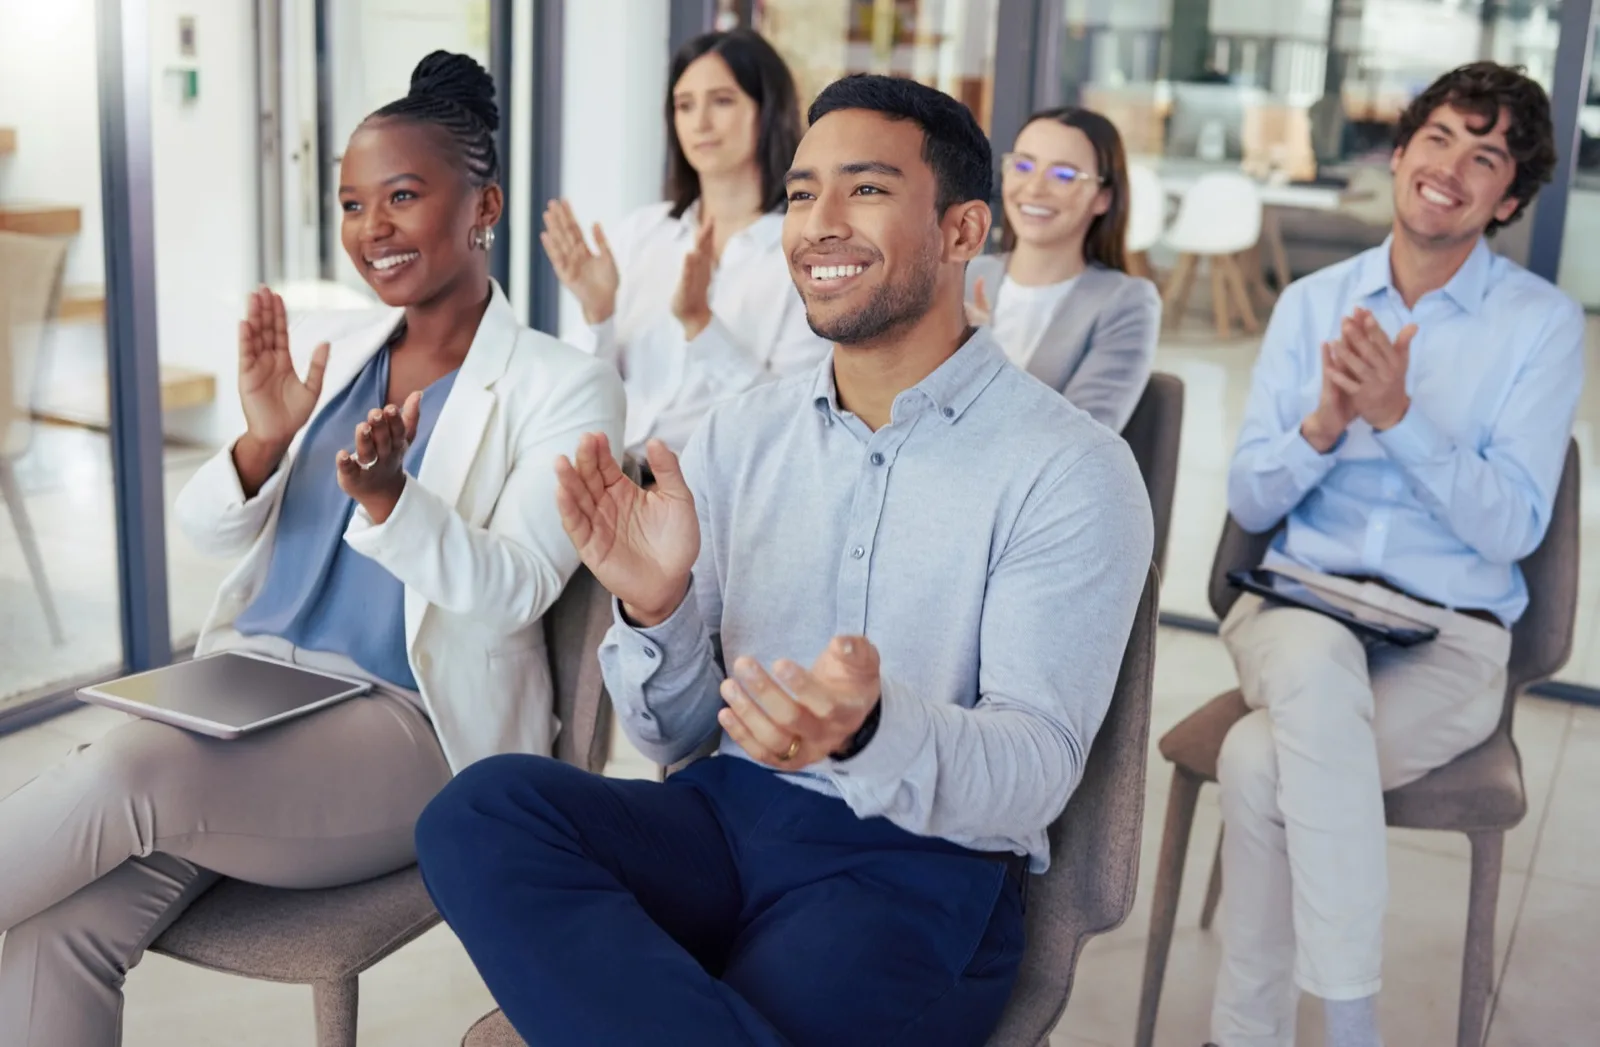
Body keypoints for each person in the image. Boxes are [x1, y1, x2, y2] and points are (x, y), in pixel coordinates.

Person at [415, 73, 1153, 1046]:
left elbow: (1036, 770)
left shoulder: (1070, 467)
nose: (818, 224)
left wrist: (871, 731)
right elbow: (674, 736)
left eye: (868, 188)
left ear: (964, 231)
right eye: (802, 193)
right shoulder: (739, 436)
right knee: (480, 811)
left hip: (916, 869)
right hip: (724, 820)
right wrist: (659, 609)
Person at [0, 52, 623, 1046]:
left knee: (126, 771)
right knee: (58, 925)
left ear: (485, 207)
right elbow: (207, 530)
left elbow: (515, 590)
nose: (372, 227)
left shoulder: (563, 385)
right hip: (243, 694)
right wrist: (261, 441)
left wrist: (391, 500)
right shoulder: (336, 346)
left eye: (403, 196)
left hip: (407, 728)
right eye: (351, 203)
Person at [1210, 62, 1581, 1047]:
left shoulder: (1539, 327)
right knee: (1313, 660)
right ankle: (1351, 1027)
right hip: (1297, 605)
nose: (1451, 168)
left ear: (1508, 198)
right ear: (1402, 152)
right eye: (1440, 138)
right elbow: (1250, 500)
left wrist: (1398, 417)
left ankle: (1246, 1035)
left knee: (1257, 765)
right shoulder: (1311, 304)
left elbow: (1514, 530)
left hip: (1450, 640)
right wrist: (1325, 426)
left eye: (1485, 157)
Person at [540, 28, 828, 456]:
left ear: (767, 110)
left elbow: (792, 421)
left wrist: (702, 325)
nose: (700, 123)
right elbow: (579, 390)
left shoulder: (803, 253)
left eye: (722, 101)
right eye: (685, 105)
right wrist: (598, 315)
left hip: (711, 488)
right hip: (610, 473)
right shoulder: (643, 233)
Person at [965, 106, 1160, 431]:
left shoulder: (1125, 302)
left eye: (1064, 175)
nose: (1034, 188)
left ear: (1103, 197)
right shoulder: (965, 274)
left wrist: (980, 353)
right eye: (1023, 166)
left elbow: (1083, 437)